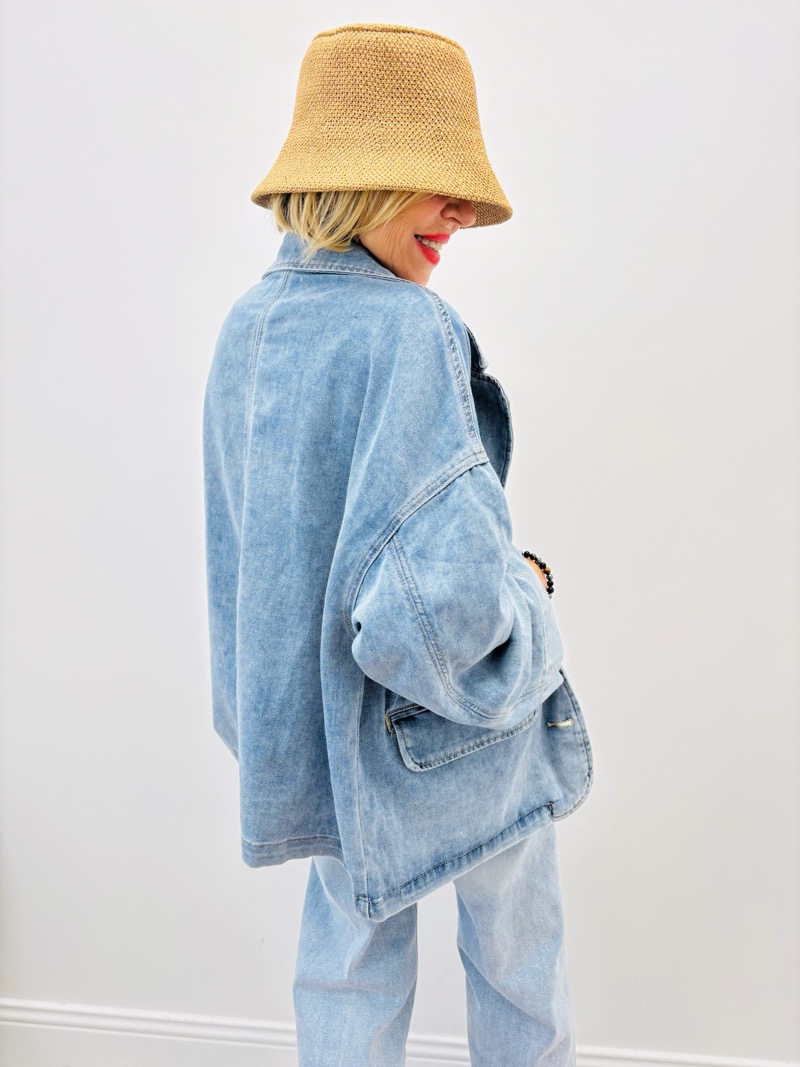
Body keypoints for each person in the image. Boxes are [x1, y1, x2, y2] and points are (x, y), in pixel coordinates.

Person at [202, 22, 594, 1066]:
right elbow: (449, 613)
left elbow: (250, 574)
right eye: (437, 184)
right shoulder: (409, 330)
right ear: (362, 176)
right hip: (446, 729)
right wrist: (529, 590)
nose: (459, 213)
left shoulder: (247, 327)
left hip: (327, 741)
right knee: (516, 952)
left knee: (346, 963)